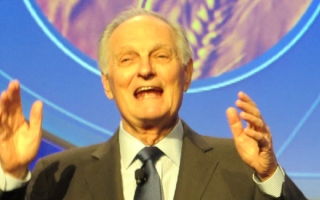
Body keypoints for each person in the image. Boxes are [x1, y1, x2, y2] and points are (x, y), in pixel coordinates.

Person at [0, 8, 306, 200]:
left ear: (186, 74)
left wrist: (269, 176)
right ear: (107, 83)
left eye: (160, 56)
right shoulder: (59, 176)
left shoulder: (243, 167)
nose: (145, 69)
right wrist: (11, 176)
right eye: (127, 59)